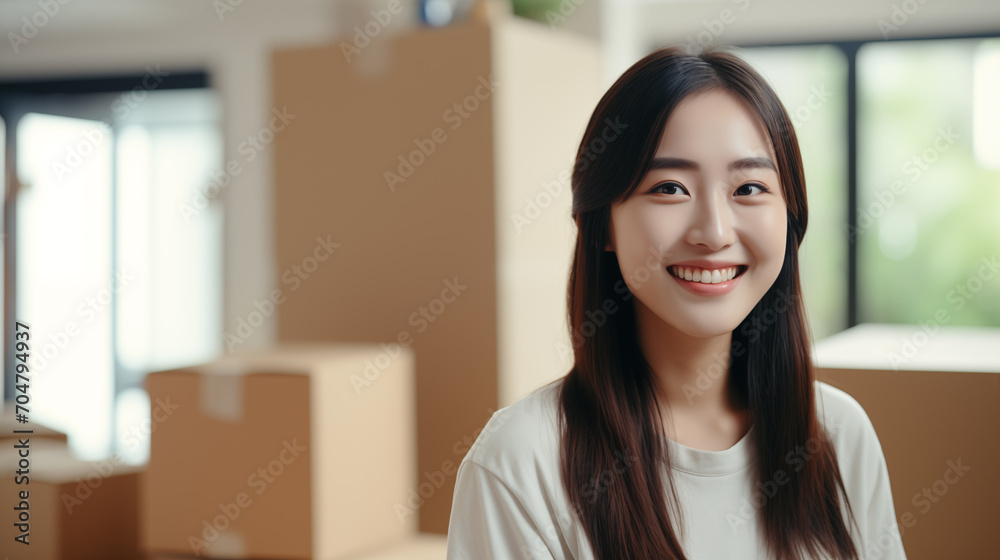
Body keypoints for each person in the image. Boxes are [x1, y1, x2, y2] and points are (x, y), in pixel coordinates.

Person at [445, 45, 908, 560]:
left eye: (749, 187)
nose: (713, 232)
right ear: (602, 224)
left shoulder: (839, 434)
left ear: (790, 216)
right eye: (669, 187)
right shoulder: (521, 463)